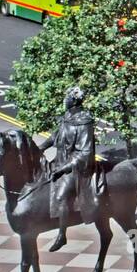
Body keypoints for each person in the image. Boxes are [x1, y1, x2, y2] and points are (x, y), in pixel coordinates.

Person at [37, 85, 98, 252]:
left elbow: (85, 152)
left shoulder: (84, 122)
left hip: (75, 167)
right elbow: (55, 136)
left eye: (67, 97)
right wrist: (41, 147)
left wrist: (64, 168)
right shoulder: (68, 116)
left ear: (74, 100)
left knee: (61, 195)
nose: (65, 100)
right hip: (60, 160)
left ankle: (62, 235)